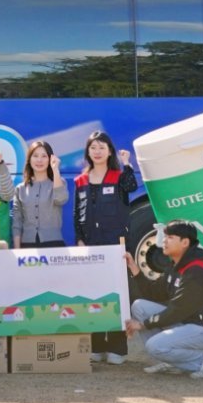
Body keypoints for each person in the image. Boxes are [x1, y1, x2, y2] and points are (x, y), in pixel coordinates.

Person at [124, 220, 203, 379]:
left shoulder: (196, 271)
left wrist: (143, 324)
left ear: (185, 242)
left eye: (170, 237)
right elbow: (154, 292)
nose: (164, 241)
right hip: (189, 322)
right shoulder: (176, 266)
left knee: (154, 346)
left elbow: (178, 310)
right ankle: (173, 360)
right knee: (139, 306)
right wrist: (134, 268)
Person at [75, 129, 138, 365]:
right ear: (88, 152)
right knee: (93, 295)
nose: (97, 151)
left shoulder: (119, 177)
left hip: (115, 245)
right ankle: (97, 345)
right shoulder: (81, 181)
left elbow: (132, 186)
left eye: (102, 147)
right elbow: (77, 214)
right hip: (91, 246)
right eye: (93, 147)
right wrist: (79, 239)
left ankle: (117, 348)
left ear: (109, 151)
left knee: (116, 296)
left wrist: (127, 164)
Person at [12, 139, 69, 249]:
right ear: (29, 159)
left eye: (44, 156)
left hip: (54, 244)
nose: (39, 160)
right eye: (35, 156)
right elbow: (17, 222)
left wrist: (55, 170)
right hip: (27, 245)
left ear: (50, 159)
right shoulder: (20, 189)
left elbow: (61, 199)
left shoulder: (58, 182)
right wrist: (17, 250)